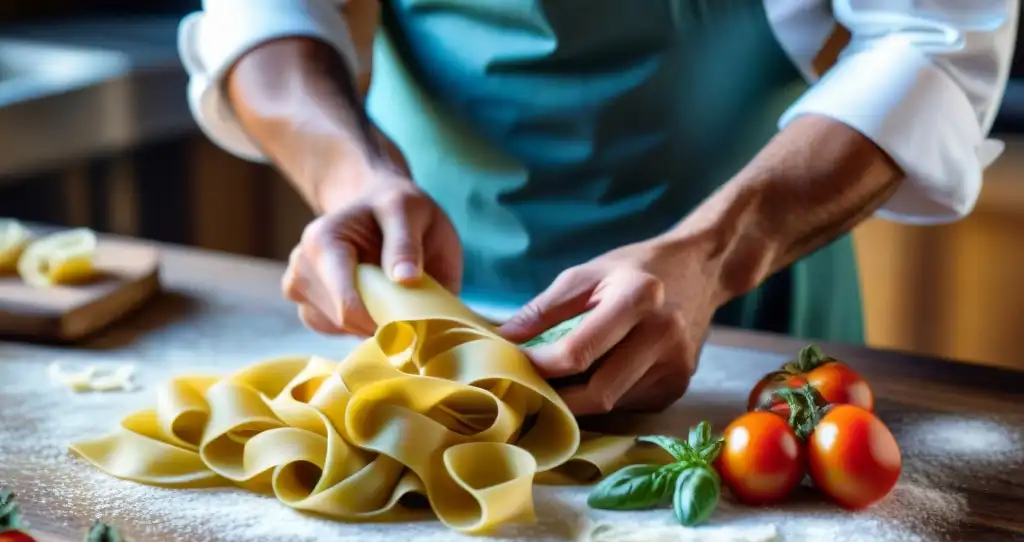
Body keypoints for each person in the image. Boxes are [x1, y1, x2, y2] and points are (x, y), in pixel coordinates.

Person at [178, 1, 1018, 415]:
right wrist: (349, 175)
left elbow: (933, 44)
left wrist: (710, 257)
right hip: (417, 320)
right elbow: (266, 12)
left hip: (749, 310)